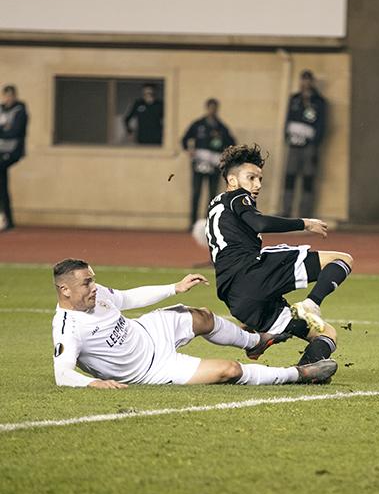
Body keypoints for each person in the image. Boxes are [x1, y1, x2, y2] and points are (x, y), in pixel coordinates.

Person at [50, 258, 336, 389]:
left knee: (203, 317)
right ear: (65, 290)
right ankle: (298, 374)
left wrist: (174, 287)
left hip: (149, 330)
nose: (95, 287)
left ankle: (255, 342)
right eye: (87, 282)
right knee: (229, 370)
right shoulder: (67, 328)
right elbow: (62, 374)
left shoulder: (97, 295)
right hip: (152, 369)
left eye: (93, 279)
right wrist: (93, 384)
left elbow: (127, 298)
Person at [205, 144, 353, 368]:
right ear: (232, 181)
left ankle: (301, 369)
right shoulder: (237, 197)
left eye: (260, 179)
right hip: (253, 275)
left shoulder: (216, 204)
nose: (258, 185)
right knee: (343, 259)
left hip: (238, 301)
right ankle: (311, 304)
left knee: (327, 334)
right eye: (251, 177)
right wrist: (305, 223)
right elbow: (260, 222)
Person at [181, 98, 237, 229]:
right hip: (199, 164)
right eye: (210, 108)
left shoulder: (222, 127)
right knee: (196, 193)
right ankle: (193, 223)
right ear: (207, 108)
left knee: (212, 196)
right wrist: (189, 150)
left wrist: (225, 157)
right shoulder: (198, 124)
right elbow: (185, 139)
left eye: (215, 108)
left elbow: (232, 143)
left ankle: (209, 224)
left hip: (214, 166)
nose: (212, 111)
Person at [283, 70, 328, 217]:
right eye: (303, 80)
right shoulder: (295, 99)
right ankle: (287, 210)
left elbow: (321, 124)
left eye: (308, 80)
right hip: (294, 144)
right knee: (290, 177)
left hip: (309, 146)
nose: (305, 83)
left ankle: (305, 212)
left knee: (308, 178)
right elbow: (288, 118)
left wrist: (316, 143)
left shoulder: (319, 102)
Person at [0, 84, 28, 230]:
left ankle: (6, 219)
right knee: (2, 184)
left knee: (2, 183)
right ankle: (6, 219)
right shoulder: (1, 109)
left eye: (11, 95)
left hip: (12, 151)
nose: (8, 98)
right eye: (6, 95)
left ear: (15, 96)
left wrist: (4, 131)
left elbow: (16, 132)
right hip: (1, 150)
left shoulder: (20, 111)